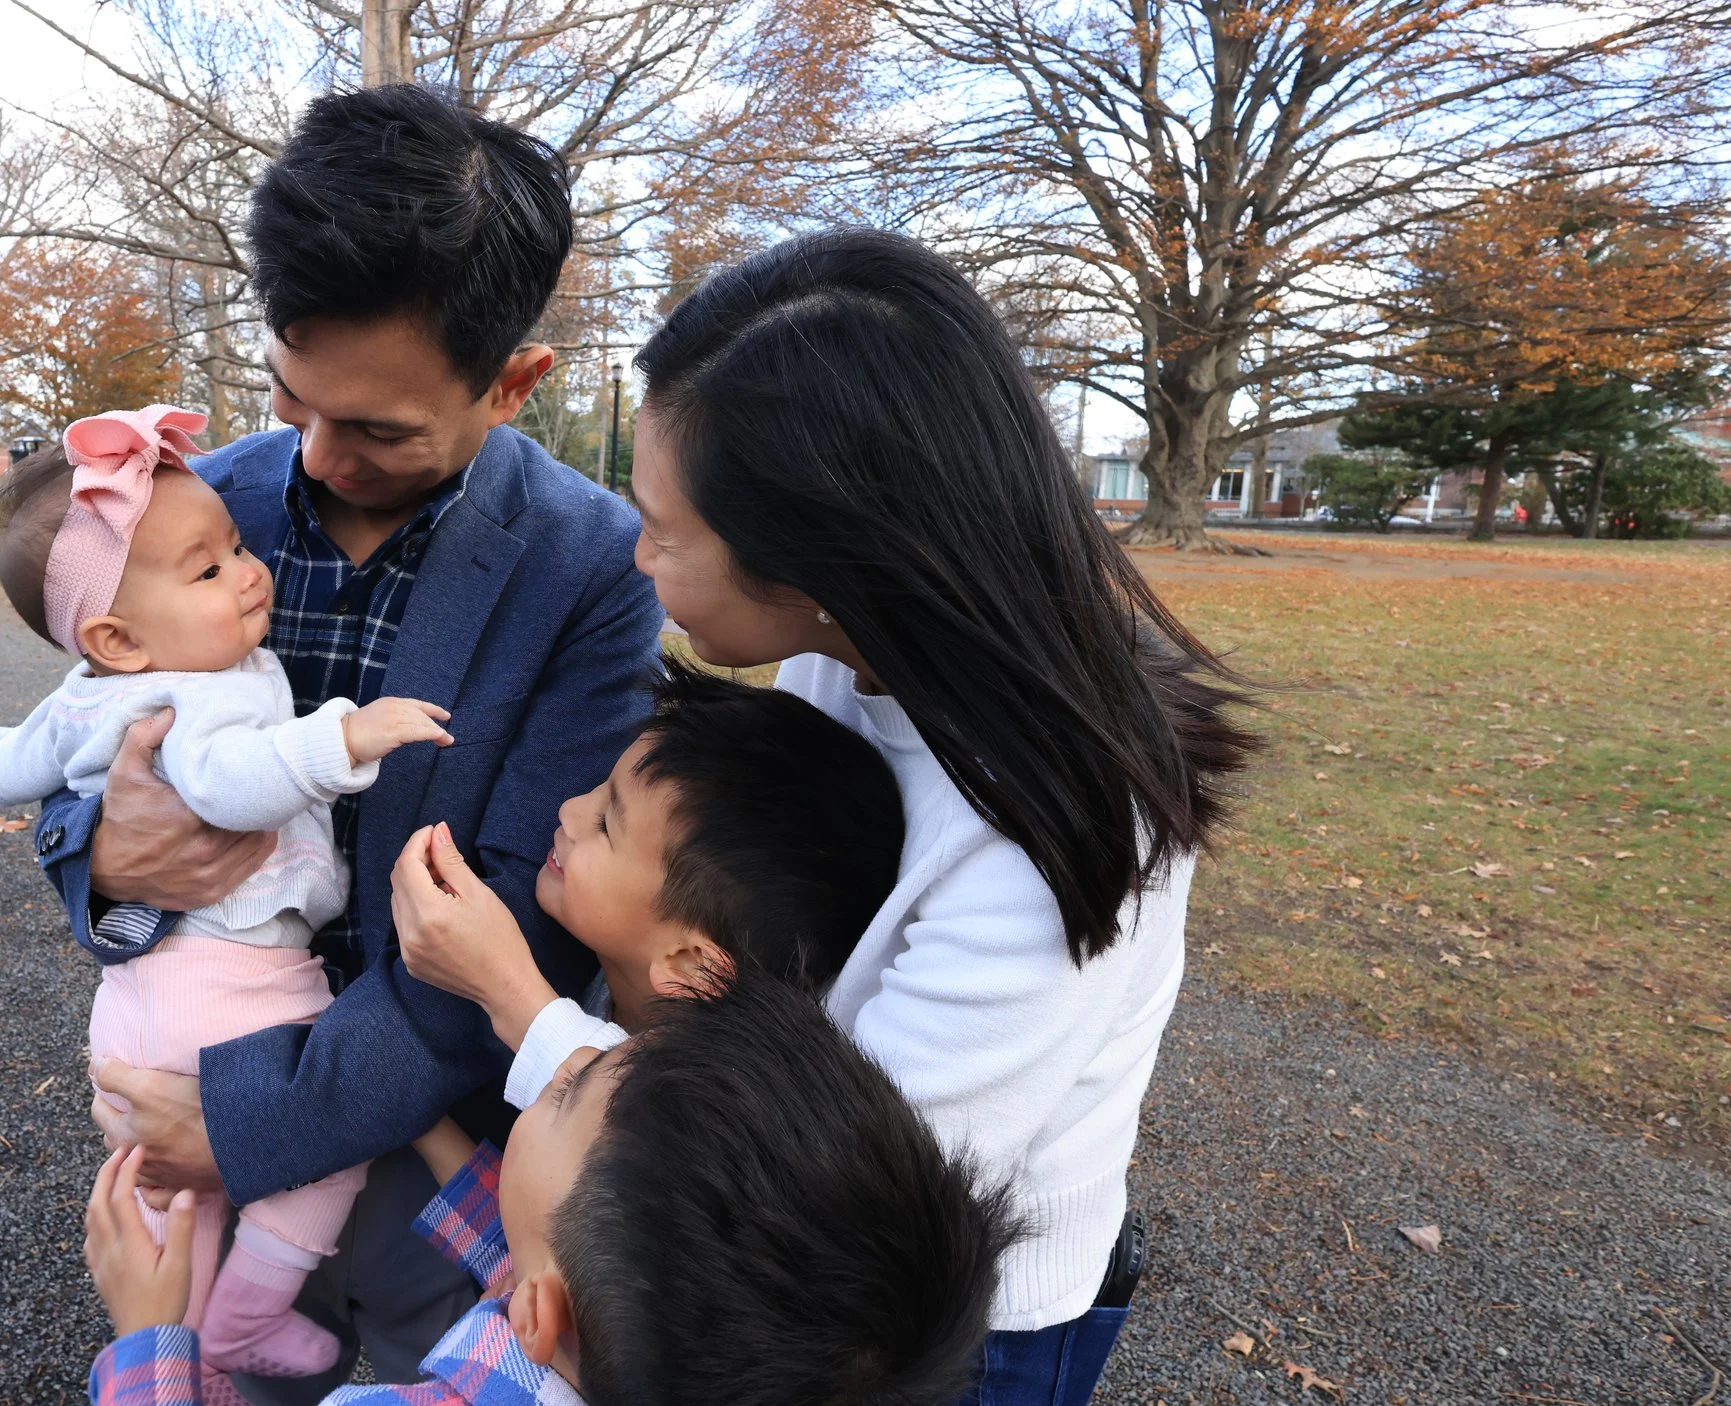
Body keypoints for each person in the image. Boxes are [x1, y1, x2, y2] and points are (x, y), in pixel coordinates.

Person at [31, 84, 663, 1401]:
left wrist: (258, 1118)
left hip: (447, 1145)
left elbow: (529, 913)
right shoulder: (214, 503)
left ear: (513, 381)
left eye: (379, 429)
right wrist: (99, 854)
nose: (316, 456)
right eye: (291, 397)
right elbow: (90, 746)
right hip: (202, 1065)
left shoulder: (592, 567)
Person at [599, 228, 1255, 1405]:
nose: (635, 553)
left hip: (947, 1321)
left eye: (661, 528)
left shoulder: (1043, 826)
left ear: (816, 566)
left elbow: (847, 1200)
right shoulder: (844, 655)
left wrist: (525, 1008)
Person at [0, 406, 458, 1376]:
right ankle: (250, 1310)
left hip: (140, 1010)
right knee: (325, 1152)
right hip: (239, 992)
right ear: (115, 634)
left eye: (237, 546)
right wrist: (342, 737)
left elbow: (9, 763)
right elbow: (234, 781)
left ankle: (177, 1355)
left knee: (176, 1215)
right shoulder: (206, 691)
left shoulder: (85, 688)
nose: (248, 570)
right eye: (209, 569)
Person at [82, 976, 1013, 1406]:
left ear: (537, 1313)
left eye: (569, 1087)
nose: (568, 1064)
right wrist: (402, 1112)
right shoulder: (629, 1340)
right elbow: (537, 1252)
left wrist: (147, 1337)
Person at [388, 656, 906, 1083]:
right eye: (599, 790)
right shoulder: (616, 979)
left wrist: (498, 984)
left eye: (608, 826)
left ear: (689, 965)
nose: (570, 810)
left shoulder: (707, 1104)